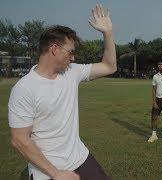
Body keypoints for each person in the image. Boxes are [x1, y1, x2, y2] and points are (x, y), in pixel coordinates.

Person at [8, 4, 116, 180]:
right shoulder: (24, 88)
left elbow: (109, 66)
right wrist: (56, 173)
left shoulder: (71, 72)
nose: (73, 57)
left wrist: (108, 33)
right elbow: (19, 140)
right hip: (48, 171)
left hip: (81, 158)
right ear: (54, 48)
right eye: (70, 52)